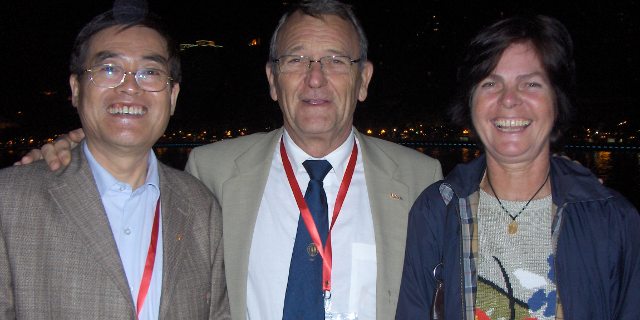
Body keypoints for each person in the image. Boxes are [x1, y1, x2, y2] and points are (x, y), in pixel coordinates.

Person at [16, 0, 443, 319]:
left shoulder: (420, 179)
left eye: (335, 61)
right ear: (273, 80)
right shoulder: (212, 172)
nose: (316, 77)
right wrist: (72, 154)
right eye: (295, 60)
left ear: (363, 79)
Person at [395, 15, 640, 319]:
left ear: (557, 101)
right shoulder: (437, 211)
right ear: (470, 103)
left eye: (531, 83)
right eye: (490, 83)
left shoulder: (612, 220)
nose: (509, 99)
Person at [0, 3, 230, 319]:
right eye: (109, 69)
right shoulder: (10, 201)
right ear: (76, 89)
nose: (130, 87)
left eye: (150, 72)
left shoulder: (201, 208)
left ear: (172, 96)